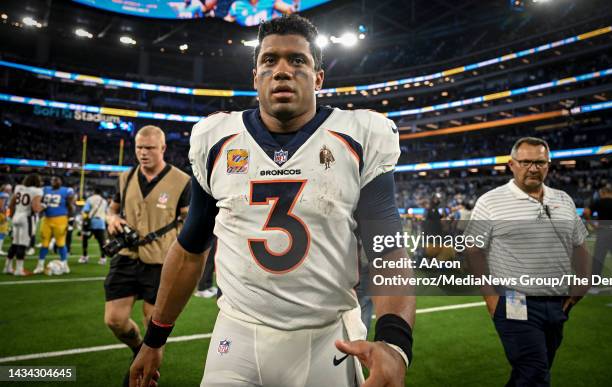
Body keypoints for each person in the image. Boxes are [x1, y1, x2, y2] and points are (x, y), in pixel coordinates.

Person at [131, 15, 415, 387]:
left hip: (327, 338)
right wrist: (153, 340)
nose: (282, 70)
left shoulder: (359, 136)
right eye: (269, 61)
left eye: (297, 60)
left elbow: (388, 250)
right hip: (237, 336)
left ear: (318, 78)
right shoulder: (216, 138)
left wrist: (395, 345)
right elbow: (189, 250)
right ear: (255, 77)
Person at [465, 137, 590, 387]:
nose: (533, 168)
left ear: (548, 165)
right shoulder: (491, 201)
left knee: (534, 371)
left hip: (558, 302)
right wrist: (491, 297)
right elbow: (473, 251)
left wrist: (582, 284)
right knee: (534, 371)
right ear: (511, 165)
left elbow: (579, 245)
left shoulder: (564, 200)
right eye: (526, 162)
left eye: (540, 162)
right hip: (515, 300)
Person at [103, 125, 190, 384]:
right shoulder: (126, 176)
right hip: (127, 256)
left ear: (163, 148)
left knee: (154, 325)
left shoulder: (182, 181)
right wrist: (111, 219)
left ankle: (144, 376)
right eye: (139, 147)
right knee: (115, 320)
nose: (143, 152)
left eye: (149, 147)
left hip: (161, 262)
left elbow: (188, 224)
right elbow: (113, 209)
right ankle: (138, 348)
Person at [3, 174, 44, 276]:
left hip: (16, 216)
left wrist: (12, 217)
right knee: (23, 244)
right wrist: (44, 206)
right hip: (26, 218)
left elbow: (12, 204)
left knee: (14, 243)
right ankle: (19, 270)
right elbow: (35, 208)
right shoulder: (37, 191)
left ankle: (7, 267)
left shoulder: (18, 188)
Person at [34, 176, 75, 274]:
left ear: (61, 181)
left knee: (61, 243)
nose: (55, 181)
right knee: (44, 243)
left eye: (57, 180)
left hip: (61, 219)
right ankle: (40, 266)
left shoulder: (67, 190)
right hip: (47, 219)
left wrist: (70, 219)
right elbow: (39, 200)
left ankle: (65, 265)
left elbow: (70, 204)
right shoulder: (45, 189)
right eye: (53, 180)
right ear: (51, 181)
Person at [584, 184, 612, 280]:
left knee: (599, 257)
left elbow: (586, 212)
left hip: (603, 231)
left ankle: (595, 280)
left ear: (604, 192)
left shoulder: (599, 202)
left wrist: (594, 225)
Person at [79, 187, 109, 265]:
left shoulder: (90, 199)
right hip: (101, 223)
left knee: (85, 240)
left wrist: (84, 222)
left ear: (94, 192)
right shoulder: (104, 201)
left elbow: (85, 211)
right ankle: (103, 258)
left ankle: (85, 257)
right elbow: (107, 212)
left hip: (90, 222)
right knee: (102, 242)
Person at [0, 183, 13, 256]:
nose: (10, 190)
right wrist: (4, 215)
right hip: (1, 215)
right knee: (2, 233)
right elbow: (1, 206)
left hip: (2, 214)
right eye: (9, 189)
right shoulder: (4, 195)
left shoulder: (2, 194)